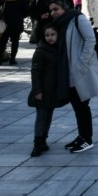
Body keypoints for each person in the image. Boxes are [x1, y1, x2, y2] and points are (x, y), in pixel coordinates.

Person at [47, 0, 98, 153]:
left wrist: (82, 62)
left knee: (82, 106)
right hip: (69, 71)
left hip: (79, 71)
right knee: (77, 106)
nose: (53, 13)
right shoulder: (60, 22)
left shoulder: (77, 18)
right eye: (51, 10)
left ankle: (87, 139)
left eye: (56, 9)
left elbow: (90, 39)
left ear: (64, 6)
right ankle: (82, 136)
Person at [28, 24, 67, 157]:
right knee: (41, 116)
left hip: (52, 90)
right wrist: (37, 90)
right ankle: (37, 142)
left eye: (52, 35)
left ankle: (43, 139)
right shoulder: (41, 51)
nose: (50, 38)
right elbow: (35, 71)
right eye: (47, 35)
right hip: (43, 90)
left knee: (48, 115)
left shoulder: (59, 48)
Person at [0, 0, 29, 65]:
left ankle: (0, 58)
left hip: (5, 22)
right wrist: (20, 16)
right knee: (15, 41)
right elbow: (26, 11)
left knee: (3, 41)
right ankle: (12, 59)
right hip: (17, 22)